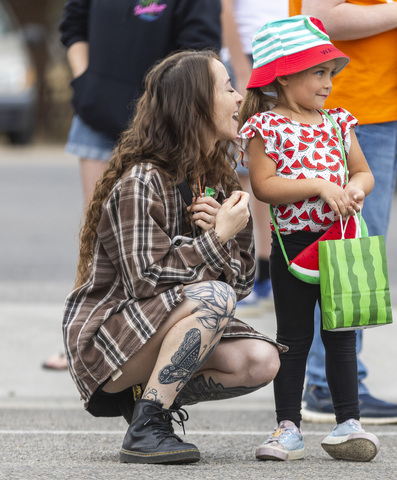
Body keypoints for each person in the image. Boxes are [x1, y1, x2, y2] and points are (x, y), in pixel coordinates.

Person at [62, 50, 283, 464]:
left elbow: (241, 284)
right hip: (106, 341)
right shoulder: (143, 180)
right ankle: (147, 427)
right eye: (228, 87)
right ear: (196, 105)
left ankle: (143, 402)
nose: (240, 98)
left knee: (261, 361)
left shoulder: (213, 177)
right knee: (214, 298)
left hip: (154, 331)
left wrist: (233, 231)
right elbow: (145, 279)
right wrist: (216, 239)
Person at [43, 0, 222, 371]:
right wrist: (84, 84)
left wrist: (165, 108)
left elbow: (199, 50)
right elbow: (73, 26)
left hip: (162, 125)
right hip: (96, 115)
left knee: (159, 240)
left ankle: (151, 338)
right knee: (97, 235)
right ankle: (82, 341)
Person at [290, 0, 397, 425]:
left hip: (377, 107)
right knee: (345, 251)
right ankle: (327, 382)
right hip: (354, 106)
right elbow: (323, 16)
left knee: (353, 250)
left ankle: (331, 380)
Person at [239, 15, 379, 462]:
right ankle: (287, 427)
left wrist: (355, 188)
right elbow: (264, 186)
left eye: (330, 73)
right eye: (318, 72)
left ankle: (348, 423)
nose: (327, 82)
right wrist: (319, 185)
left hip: (341, 243)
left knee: (342, 334)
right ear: (283, 76)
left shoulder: (338, 123)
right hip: (293, 245)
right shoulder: (266, 127)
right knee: (294, 337)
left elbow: (362, 171)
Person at [220, 0, 289, 312]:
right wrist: (243, 68)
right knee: (245, 174)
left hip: (290, 56)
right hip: (249, 57)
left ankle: (272, 273)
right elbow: (224, 9)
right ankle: (254, 277)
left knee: (278, 170)